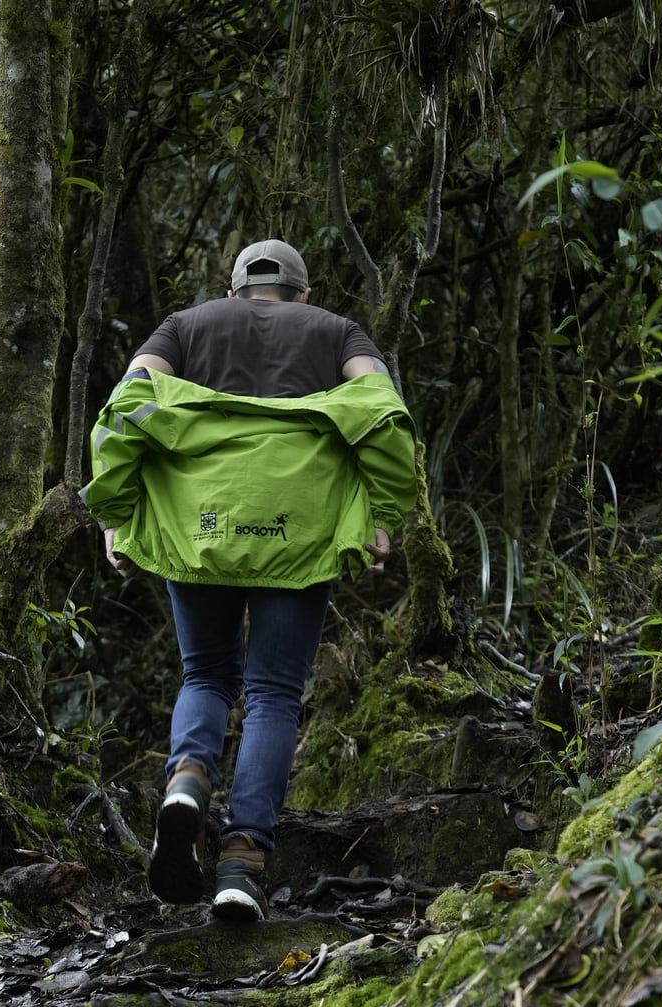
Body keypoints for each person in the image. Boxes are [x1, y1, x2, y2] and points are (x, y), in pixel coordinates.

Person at [84, 238, 418, 921]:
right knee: (271, 692)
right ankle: (241, 864)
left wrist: (115, 516)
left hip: (198, 521)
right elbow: (384, 416)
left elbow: (123, 411)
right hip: (297, 527)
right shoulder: (336, 331)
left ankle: (187, 778)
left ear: (232, 290)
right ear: (302, 292)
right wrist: (381, 514)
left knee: (206, 674)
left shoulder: (183, 326)